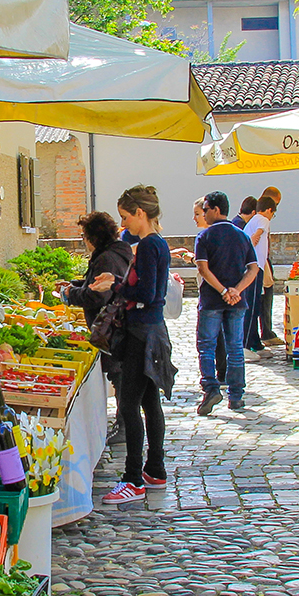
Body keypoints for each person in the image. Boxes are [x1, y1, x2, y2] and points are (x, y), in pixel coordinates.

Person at [89, 185, 176, 504]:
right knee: (150, 402)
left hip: (142, 333)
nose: (123, 225)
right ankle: (155, 470)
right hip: (151, 331)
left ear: (141, 213)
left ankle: (133, 479)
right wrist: (121, 283)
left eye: (126, 218)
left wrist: (117, 285)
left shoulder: (151, 245)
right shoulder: (155, 244)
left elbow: (149, 294)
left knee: (128, 404)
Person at [61, 211, 134, 444]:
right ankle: (125, 423)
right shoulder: (114, 252)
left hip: (112, 327)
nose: (84, 241)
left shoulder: (106, 258)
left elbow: (97, 297)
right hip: (116, 326)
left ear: (94, 237)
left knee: (119, 375)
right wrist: (75, 284)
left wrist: (71, 295)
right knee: (119, 374)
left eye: (84, 236)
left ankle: (125, 426)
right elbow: (96, 283)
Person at [194, 190, 259, 414]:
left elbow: (203, 267)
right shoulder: (242, 235)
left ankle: (211, 388)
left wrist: (222, 290)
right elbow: (253, 268)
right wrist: (236, 290)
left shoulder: (205, 236)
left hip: (212, 299)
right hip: (236, 300)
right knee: (235, 348)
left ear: (216, 210)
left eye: (205, 210)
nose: (203, 214)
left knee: (206, 346)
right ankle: (237, 396)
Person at [243, 195, 277, 357]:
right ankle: (246, 344)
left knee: (254, 304)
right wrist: (254, 240)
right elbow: (255, 237)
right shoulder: (263, 220)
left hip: (254, 266)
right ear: (269, 210)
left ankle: (254, 341)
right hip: (254, 267)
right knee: (252, 305)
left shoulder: (253, 219)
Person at [259, 186, 284, 346]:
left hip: (263, 261)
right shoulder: (261, 218)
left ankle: (267, 331)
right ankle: (266, 332)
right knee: (265, 298)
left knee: (266, 298)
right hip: (262, 262)